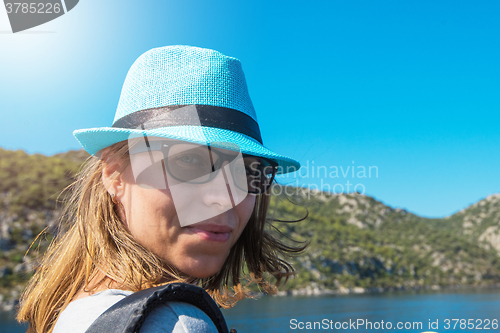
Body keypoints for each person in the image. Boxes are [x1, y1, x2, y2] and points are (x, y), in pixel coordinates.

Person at [16, 45, 306, 333]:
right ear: (115, 173)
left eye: (246, 172)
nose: (225, 196)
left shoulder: (75, 312)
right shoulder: (176, 323)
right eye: (189, 161)